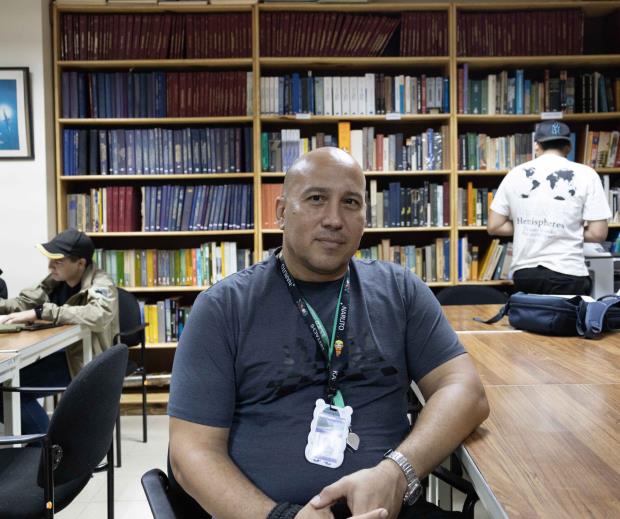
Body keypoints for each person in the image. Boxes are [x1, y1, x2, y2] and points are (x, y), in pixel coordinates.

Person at [168, 147, 489, 519]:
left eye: (350, 202)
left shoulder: (400, 291)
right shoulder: (224, 308)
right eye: (316, 199)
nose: (334, 219)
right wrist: (280, 517)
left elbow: (466, 391)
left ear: (365, 218)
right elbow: (191, 452)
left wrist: (398, 471)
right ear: (282, 212)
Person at [0, 228, 119, 433]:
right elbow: (23, 303)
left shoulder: (102, 284)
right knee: (6, 384)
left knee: (6, 392)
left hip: (81, 361)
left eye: (58, 261)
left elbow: (98, 315)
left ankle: (46, 449)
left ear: (80, 263)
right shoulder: (54, 281)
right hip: (57, 352)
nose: (50, 266)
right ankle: (44, 447)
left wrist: (41, 312)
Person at [487, 120, 611, 295]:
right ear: (568, 147)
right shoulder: (587, 175)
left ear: (537, 146)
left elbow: (494, 226)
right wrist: (566, 228)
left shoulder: (515, 174)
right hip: (569, 274)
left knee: (531, 320)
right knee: (569, 320)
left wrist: (532, 225)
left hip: (526, 275)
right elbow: (598, 233)